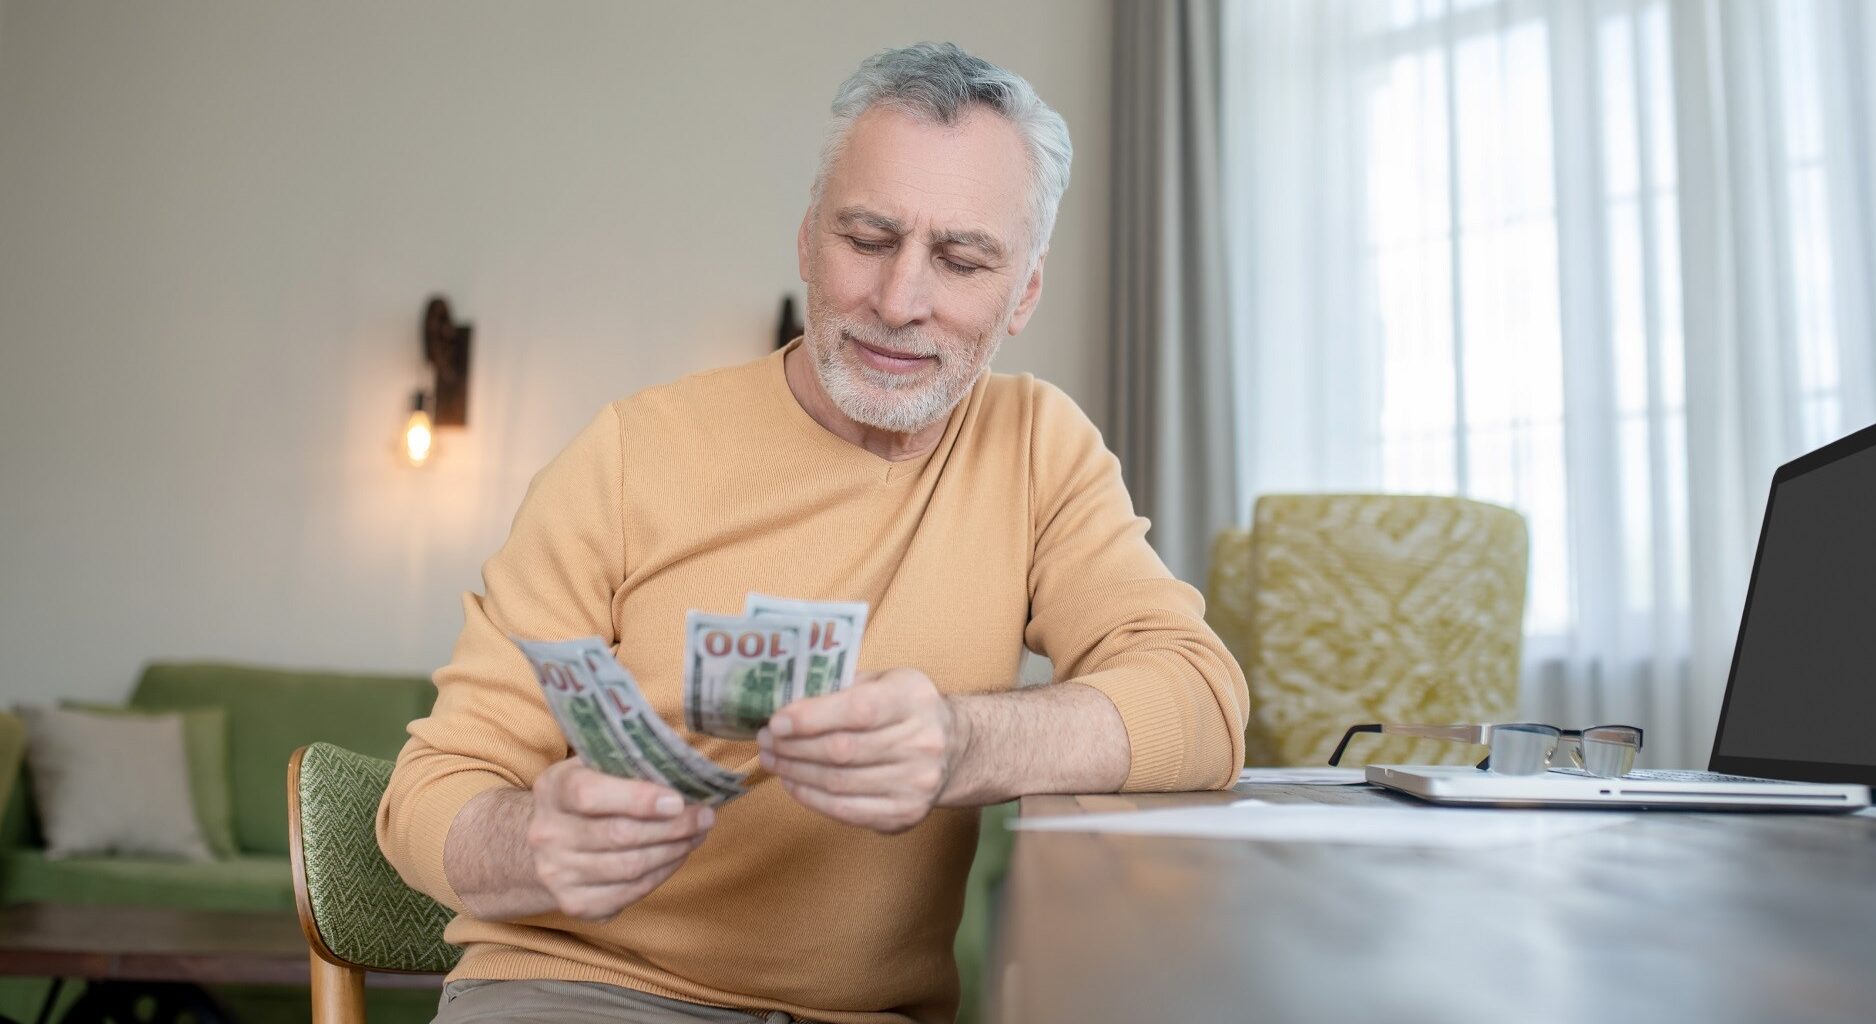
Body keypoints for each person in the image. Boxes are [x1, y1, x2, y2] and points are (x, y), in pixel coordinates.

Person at [377, 41, 1248, 1024]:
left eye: (962, 259)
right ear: (805, 241)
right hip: (585, 990)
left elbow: (1202, 702)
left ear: (1025, 293)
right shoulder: (630, 454)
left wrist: (965, 742)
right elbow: (428, 793)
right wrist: (533, 839)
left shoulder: (1037, 446)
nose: (899, 300)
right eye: (868, 238)